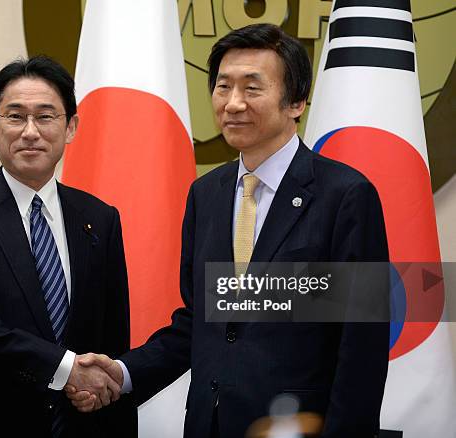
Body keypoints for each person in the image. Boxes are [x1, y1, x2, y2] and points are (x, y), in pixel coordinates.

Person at [67, 24, 389, 438]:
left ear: (296, 102)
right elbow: (201, 320)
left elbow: (361, 344)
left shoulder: (345, 195)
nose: (233, 103)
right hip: (209, 423)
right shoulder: (207, 193)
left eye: (252, 88)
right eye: (223, 87)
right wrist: (124, 372)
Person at [0, 56, 137, 437]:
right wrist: (68, 368)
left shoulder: (100, 217)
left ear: (71, 127)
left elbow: (113, 337)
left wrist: (101, 389)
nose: (31, 132)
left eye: (46, 116)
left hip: (82, 424)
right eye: (15, 116)